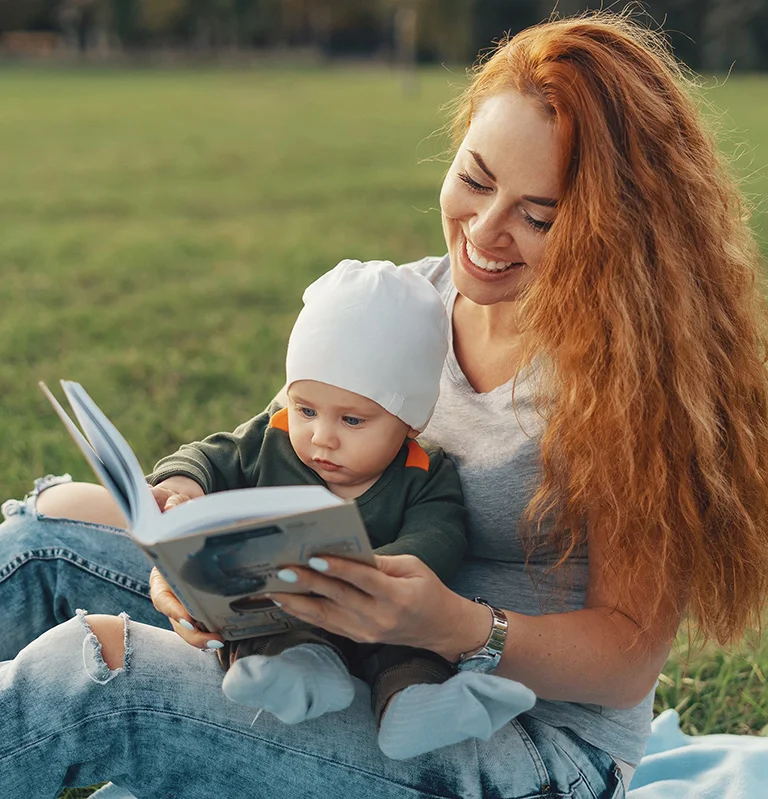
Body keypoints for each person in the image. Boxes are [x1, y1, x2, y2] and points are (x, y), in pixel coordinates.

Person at [0, 11, 768, 799]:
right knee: (45, 536)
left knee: (101, 672)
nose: (485, 230)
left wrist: (455, 626)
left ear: (613, 227)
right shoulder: (401, 303)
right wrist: (188, 573)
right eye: (475, 179)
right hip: (325, 650)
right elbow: (278, 455)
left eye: (538, 215)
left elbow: (626, 659)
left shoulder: (632, 377)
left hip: (521, 739)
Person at [143, 256, 534, 759]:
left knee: (412, 652)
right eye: (306, 409)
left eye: (352, 421)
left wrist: (371, 572)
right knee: (262, 629)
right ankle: (297, 675)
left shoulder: (423, 472)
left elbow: (440, 535)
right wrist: (181, 486)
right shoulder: (273, 437)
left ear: (409, 423)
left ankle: (417, 708)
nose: (321, 437)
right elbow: (208, 455)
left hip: (381, 619)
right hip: (288, 613)